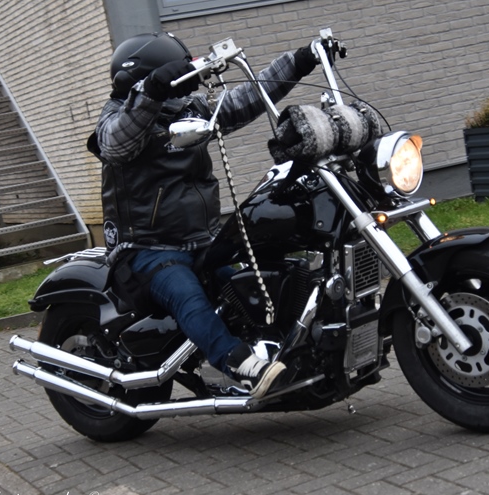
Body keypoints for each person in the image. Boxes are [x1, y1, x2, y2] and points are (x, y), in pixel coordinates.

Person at [89, 31, 318, 397]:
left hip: (200, 242)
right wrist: (152, 92)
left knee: (249, 286)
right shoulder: (116, 118)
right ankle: (237, 363)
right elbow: (116, 143)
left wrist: (301, 60)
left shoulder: (187, 110)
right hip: (146, 250)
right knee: (188, 295)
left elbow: (247, 98)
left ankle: (286, 352)